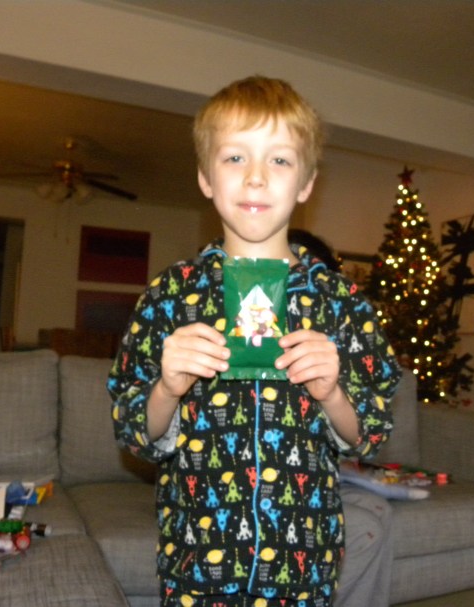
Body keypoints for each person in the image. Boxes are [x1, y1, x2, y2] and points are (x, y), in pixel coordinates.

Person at [108, 75, 400, 607]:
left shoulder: (341, 302)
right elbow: (132, 432)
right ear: (206, 177)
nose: (257, 177)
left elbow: (370, 434)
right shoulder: (169, 295)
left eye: (280, 160)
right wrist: (166, 389)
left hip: (304, 556)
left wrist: (333, 393)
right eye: (235, 158)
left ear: (306, 183)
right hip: (197, 556)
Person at [287, 229, 394, 607]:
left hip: (322, 478)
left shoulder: (333, 339)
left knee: (381, 511)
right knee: (365, 530)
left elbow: (359, 433)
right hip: (279, 488)